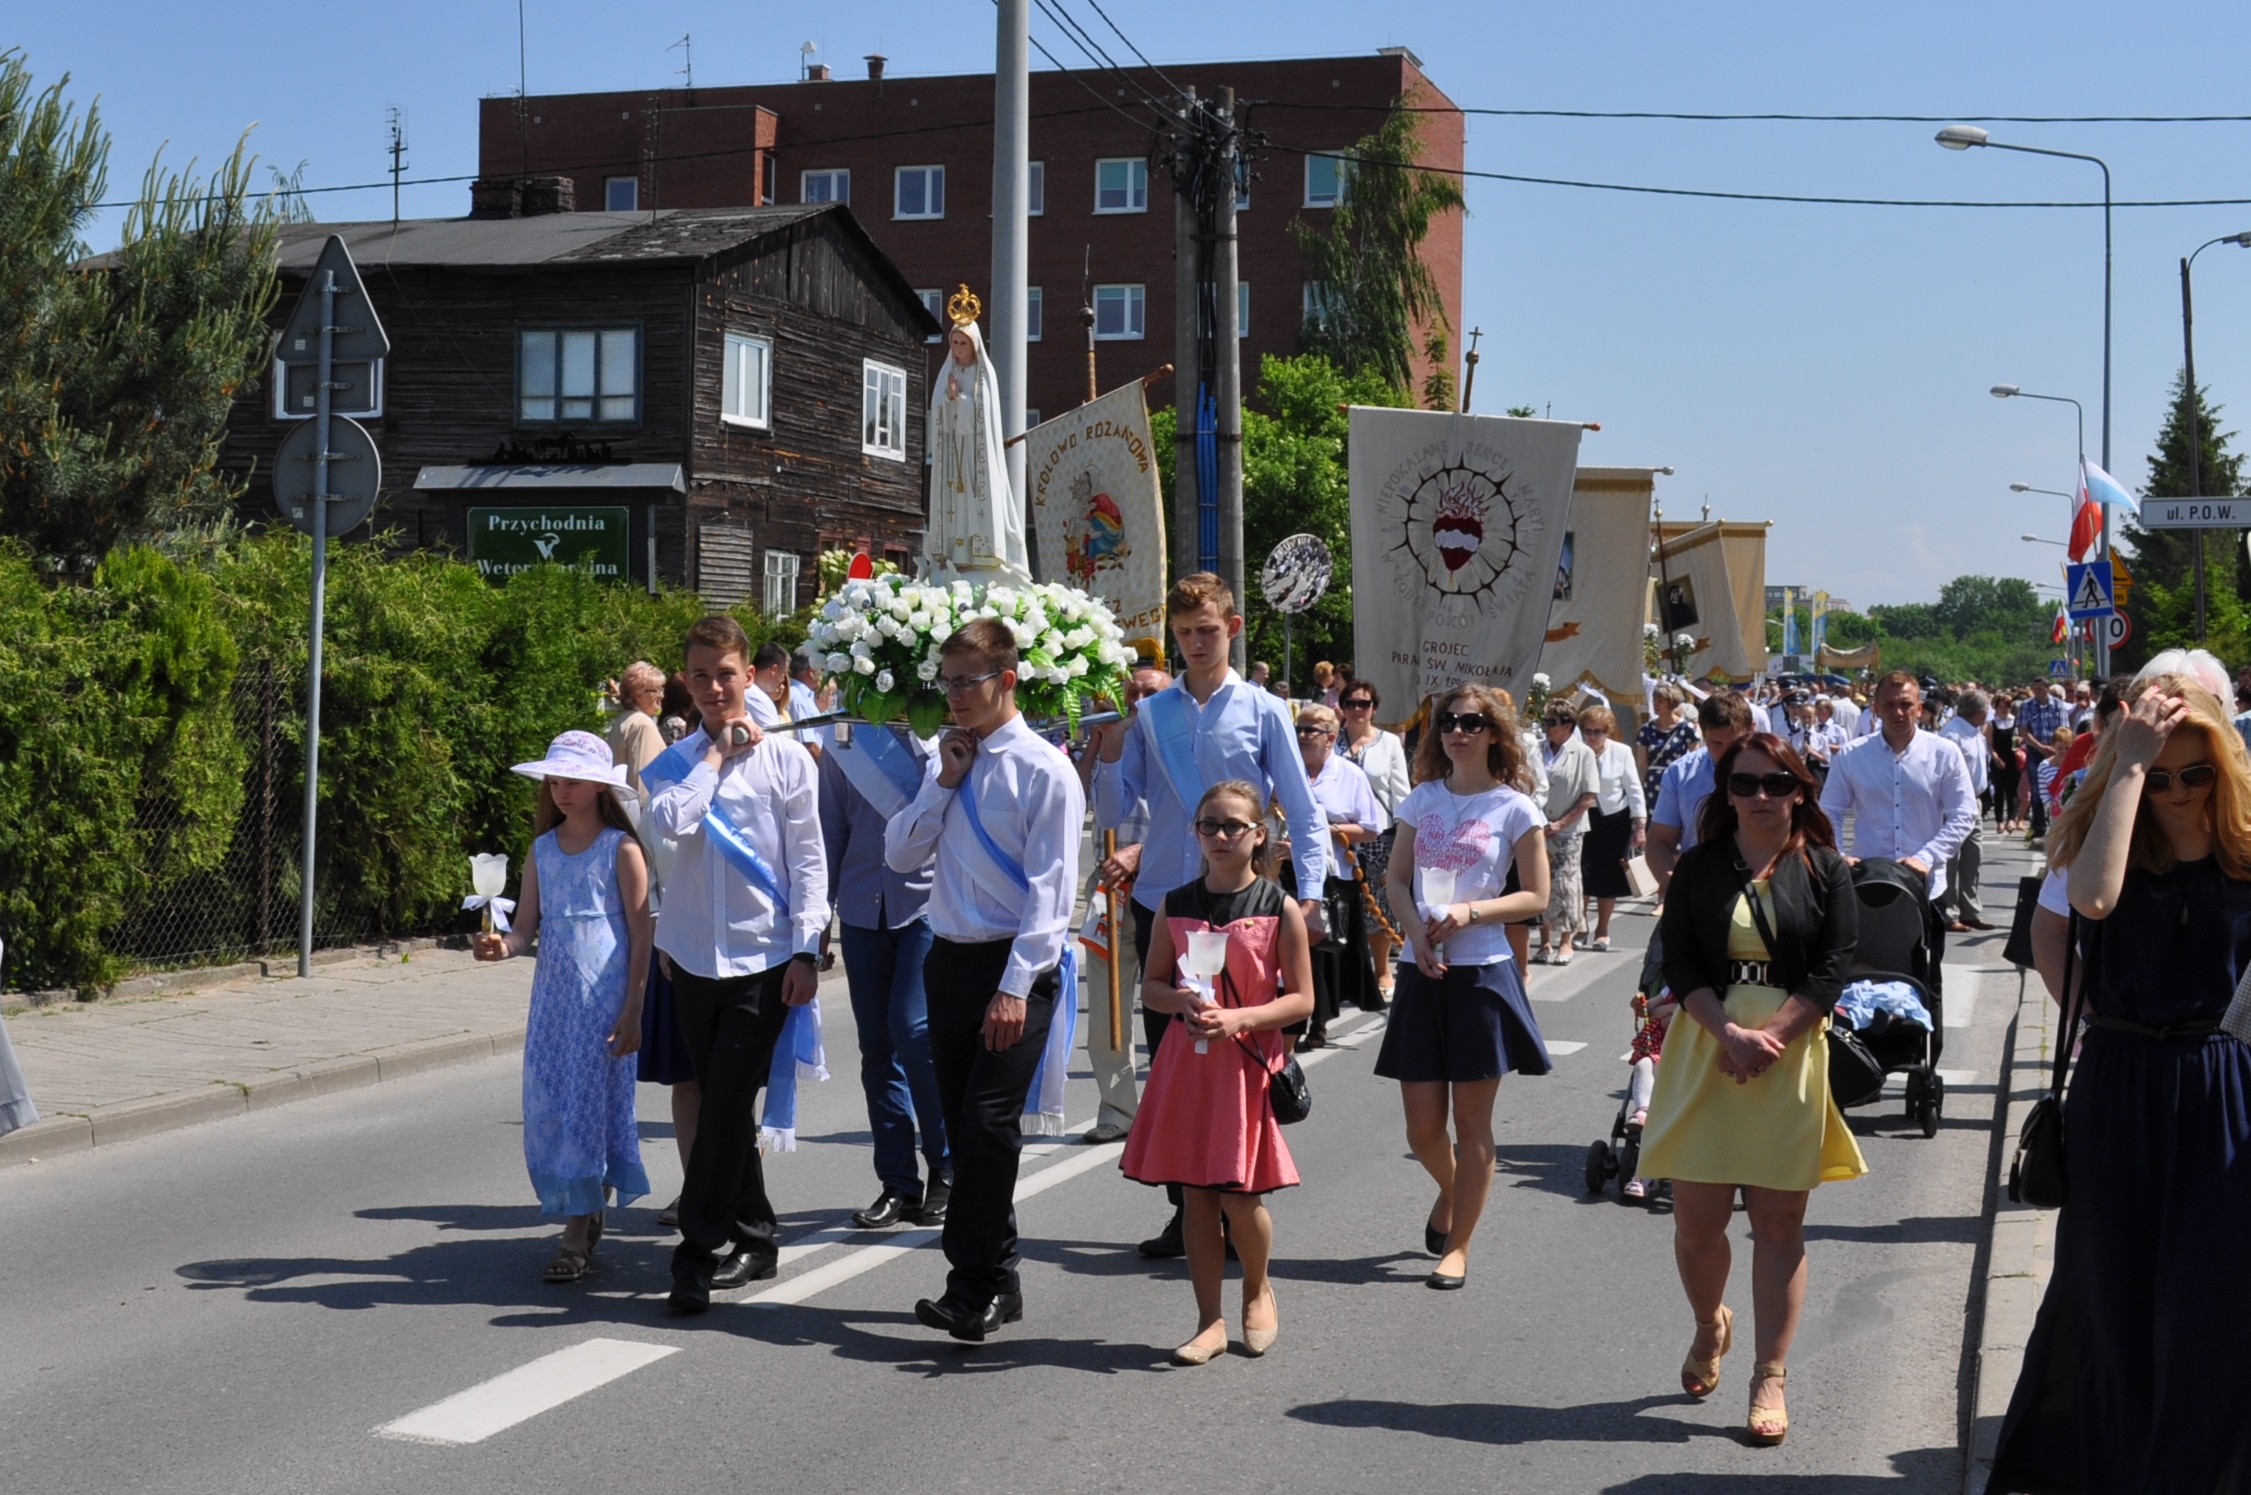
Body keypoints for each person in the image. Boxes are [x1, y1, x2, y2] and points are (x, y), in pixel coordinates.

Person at [1990, 674, 2251, 1493]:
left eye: (2192, 773)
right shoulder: (2107, 834)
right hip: (2119, 1082)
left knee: (2209, 1301)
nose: (2176, 792)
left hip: (2220, 1087)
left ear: (2222, 769)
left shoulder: (2246, 848)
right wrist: (2126, 766)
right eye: (2161, 774)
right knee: (2110, 1295)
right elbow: (2093, 902)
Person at [1092, 571, 1330, 1260]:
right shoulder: (1154, 712)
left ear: (1231, 628)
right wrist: (1108, 743)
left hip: (1241, 907)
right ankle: (1187, 1206)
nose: (1196, 643)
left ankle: (1234, 1197)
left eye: (1207, 630)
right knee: (1174, 1059)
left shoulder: (1262, 709)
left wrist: (1308, 895)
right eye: (1183, 633)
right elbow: (1115, 807)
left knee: (1233, 1058)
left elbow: (1301, 808)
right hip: (1168, 897)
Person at [1637, 733, 1866, 1446]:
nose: (1760, 796)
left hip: (1788, 1056)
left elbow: (1831, 968)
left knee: (1777, 1226)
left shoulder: (1825, 868)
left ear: (1799, 788)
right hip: (1706, 1048)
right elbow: (1676, 960)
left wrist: (1772, 1037)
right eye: (1744, 784)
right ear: (1724, 793)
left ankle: (1769, 1373)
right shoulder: (1699, 866)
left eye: (1775, 782)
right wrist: (1729, 1034)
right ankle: (1711, 1324)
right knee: (1695, 1225)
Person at [887, 618, 1084, 1342]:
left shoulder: (1044, 769)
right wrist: (943, 780)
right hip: (951, 960)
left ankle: (971, 1285)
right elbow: (901, 854)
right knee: (968, 1128)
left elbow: (1052, 892)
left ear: (1006, 680)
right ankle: (996, 1280)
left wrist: (1013, 985)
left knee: (987, 1126)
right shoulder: (949, 760)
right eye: (946, 682)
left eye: (967, 681)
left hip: (1016, 969)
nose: (954, 696)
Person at [645, 616, 829, 1315]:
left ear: (750, 675)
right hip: (691, 958)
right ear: (684, 683)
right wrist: (715, 759)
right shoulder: (672, 762)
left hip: (762, 959)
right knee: (724, 1105)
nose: (714, 686)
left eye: (725, 673)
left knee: (723, 1107)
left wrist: (808, 948)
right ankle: (756, 1234)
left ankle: (693, 1255)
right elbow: (670, 823)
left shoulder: (786, 761)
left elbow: (809, 861)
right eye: (700, 675)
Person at [1120, 781, 1315, 1363]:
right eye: (1210, 825)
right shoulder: (1173, 905)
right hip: (1189, 1066)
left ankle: (1258, 1288)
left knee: (1239, 1196)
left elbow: (1303, 999)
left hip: (1245, 1069)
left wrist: (1242, 1018)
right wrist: (1181, 1002)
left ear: (1259, 835)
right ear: (1195, 833)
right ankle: (1208, 1320)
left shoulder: (1278, 907)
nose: (1221, 836)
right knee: (1196, 1197)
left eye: (1234, 826)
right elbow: (1151, 986)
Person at [1377, 686, 1554, 1291]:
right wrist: (1416, 935)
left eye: (1472, 723)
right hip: (1420, 968)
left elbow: (1536, 896)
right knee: (1423, 1129)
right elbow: (1396, 879)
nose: (1458, 731)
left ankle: (1458, 1247)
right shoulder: (1422, 798)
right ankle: (1455, 1192)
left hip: (1482, 973)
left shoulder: (1515, 809)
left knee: (1472, 1125)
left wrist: (1470, 914)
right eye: (1448, 722)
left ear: (1495, 733)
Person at [475, 730, 654, 1283]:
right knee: (554, 1106)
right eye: (555, 781)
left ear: (600, 787)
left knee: (589, 1107)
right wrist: (500, 946)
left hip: (604, 999)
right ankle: (584, 1204)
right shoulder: (542, 850)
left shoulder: (621, 849)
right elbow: (526, 928)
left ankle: (576, 1235)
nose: (561, 792)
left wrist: (634, 1008)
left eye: (572, 781)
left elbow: (643, 930)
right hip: (554, 1001)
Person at [818, 728, 950, 1231]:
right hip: (860, 908)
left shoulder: (942, 736)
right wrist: (817, 929)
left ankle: (945, 1165)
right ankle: (897, 1182)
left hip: (928, 905)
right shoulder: (846, 743)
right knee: (876, 1047)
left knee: (913, 1031)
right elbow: (830, 833)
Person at [1818, 671, 1977, 985]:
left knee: (1923, 979)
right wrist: (1838, 855)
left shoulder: (1944, 753)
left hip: (1925, 887)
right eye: (1889, 705)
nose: (1898, 712)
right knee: (1862, 977)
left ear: (1919, 707)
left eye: (1906, 704)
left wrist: (1927, 857)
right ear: (1875, 708)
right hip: (1866, 887)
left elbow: (1964, 814)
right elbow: (1828, 811)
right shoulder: (1853, 755)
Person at [1076, 665, 1169, 1143]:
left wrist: (1139, 853)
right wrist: (1097, 737)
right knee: (1107, 1008)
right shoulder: (1109, 738)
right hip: (1108, 891)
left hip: (1165, 889)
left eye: (1149, 692)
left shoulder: (1175, 745)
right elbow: (1074, 794)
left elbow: (1197, 824)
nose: (1136, 699)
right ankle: (1117, 1110)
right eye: (1129, 691)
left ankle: (1173, 1103)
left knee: (1169, 1006)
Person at [1284, 703, 1386, 1045]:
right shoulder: (1286, 772)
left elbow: (1372, 828)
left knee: (1323, 950)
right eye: (1299, 728)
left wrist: (1325, 830)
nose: (1302, 736)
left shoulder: (1349, 775)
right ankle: (1290, 1020)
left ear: (1330, 737)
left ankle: (1320, 1021)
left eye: (1310, 730)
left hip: (1335, 877)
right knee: (1290, 949)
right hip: (1287, 872)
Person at [925, 297, 1032, 584]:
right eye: (955, 343)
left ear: (974, 344)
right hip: (953, 456)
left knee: (974, 501)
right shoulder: (947, 374)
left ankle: (977, 556)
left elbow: (985, 416)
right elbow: (936, 413)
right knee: (954, 504)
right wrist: (948, 400)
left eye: (964, 343)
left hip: (975, 457)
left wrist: (958, 400)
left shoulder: (984, 375)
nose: (959, 350)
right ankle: (952, 556)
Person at [1338, 679, 1412, 996]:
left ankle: (1382, 969)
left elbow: (1400, 791)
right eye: (1351, 703)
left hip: (1379, 835)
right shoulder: (1331, 740)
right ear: (1342, 707)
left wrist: (1408, 835)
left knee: (1377, 905)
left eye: (1364, 704)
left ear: (1374, 709)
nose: (1357, 709)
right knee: (1340, 903)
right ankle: (1345, 973)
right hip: (1338, 834)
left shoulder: (1389, 743)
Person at [1646, 692, 1756, 894]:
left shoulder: (1771, 770)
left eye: (1734, 744)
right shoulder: (1680, 773)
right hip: (1702, 885)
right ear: (1702, 735)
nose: (1725, 753)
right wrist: (1670, 880)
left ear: (1752, 730)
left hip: (1761, 882)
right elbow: (1658, 840)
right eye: (1716, 744)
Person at [1577, 704, 1648, 951]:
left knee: (1607, 878)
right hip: (1583, 818)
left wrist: (1640, 825)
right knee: (1580, 875)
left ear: (1608, 731)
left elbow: (1634, 788)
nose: (1593, 737)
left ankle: (1603, 929)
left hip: (1613, 819)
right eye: (1588, 731)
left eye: (1598, 731)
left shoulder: (1621, 752)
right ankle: (1580, 924)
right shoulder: (1577, 751)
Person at [1535, 700, 1600, 965]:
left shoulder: (1582, 753)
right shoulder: (1537, 750)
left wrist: (1561, 823)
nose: (1547, 727)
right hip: (1538, 828)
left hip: (1569, 830)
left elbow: (1588, 796)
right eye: (1546, 722)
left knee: (1566, 884)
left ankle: (1566, 940)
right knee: (1539, 883)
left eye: (1552, 723)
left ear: (1568, 725)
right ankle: (1544, 941)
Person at [1935, 689, 1995, 931]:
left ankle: (1970, 910)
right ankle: (1948, 912)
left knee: (1973, 858)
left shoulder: (1976, 733)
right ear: (1979, 712)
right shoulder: (1952, 735)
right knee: (1951, 859)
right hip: (1955, 803)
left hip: (1975, 802)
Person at [1637, 684, 1700, 817]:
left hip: (1677, 781)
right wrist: (1641, 790)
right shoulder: (1646, 729)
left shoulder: (1686, 728)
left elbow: (1696, 760)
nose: (1655, 704)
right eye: (1654, 700)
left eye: (1660, 701)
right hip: (1652, 784)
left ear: (1671, 703)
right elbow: (1642, 765)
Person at [1990, 692, 2024, 832]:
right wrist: (1996, 758)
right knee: (1998, 791)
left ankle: (2011, 819)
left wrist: (2020, 742)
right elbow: (1989, 744)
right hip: (1998, 759)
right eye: (2001, 706)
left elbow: (2022, 737)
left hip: (2013, 759)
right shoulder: (1992, 724)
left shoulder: (2016, 721)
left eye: (2007, 706)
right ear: (1996, 708)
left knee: (2012, 791)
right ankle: (1999, 821)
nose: (2004, 709)